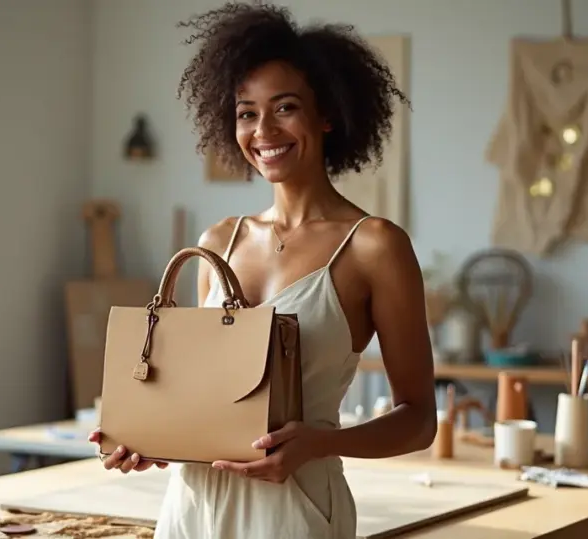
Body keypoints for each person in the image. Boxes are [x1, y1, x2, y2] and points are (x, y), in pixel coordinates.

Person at [88, 3, 437, 537]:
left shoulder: (373, 247)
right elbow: (202, 405)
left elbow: (419, 420)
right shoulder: (217, 244)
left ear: (327, 114)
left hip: (294, 507)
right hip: (192, 509)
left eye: (285, 107)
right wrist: (151, 440)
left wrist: (319, 443)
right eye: (247, 112)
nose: (263, 129)